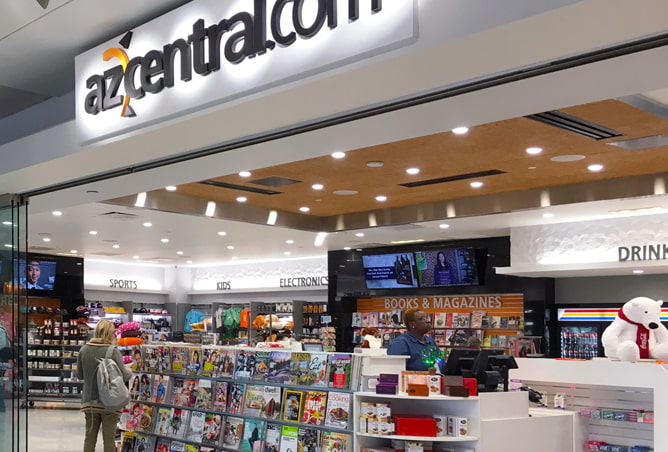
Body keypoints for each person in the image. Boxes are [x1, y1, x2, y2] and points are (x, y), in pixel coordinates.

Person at [77, 319, 132, 452]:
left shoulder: (83, 350)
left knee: (89, 438)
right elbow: (124, 376)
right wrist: (130, 371)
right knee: (109, 439)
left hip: (90, 402)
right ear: (109, 333)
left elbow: (80, 375)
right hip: (110, 402)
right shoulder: (112, 351)